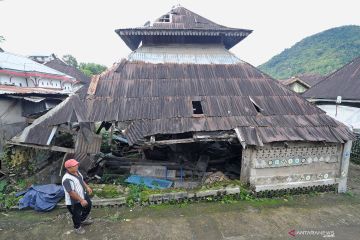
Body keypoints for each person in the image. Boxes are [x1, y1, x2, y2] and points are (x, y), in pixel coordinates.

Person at [62, 159, 93, 234]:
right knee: (76, 215)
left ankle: (83, 220)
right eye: (74, 165)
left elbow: (81, 180)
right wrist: (81, 200)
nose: (77, 166)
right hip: (74, 201)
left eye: (76, 164)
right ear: (68, 168)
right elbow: (71, 193)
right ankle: (77, 227)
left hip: (82, 194)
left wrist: (87, 187)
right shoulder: (67, 179)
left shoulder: (77, 172)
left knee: (88, 206)